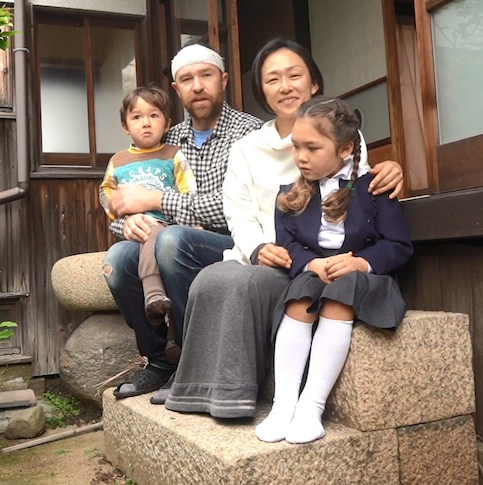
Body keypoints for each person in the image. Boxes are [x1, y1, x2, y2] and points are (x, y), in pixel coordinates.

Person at [163, 38, 405, 416]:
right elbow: (237, 210)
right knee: (212, 279)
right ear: (262, 90)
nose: (285, 86)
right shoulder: (247, 147)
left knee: (243, 284)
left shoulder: (341, 136)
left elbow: (356, 189)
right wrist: (258, 248)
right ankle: (193, 387)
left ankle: (233, 393)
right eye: (273, 79)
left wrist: (389, 167)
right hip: (260, 249)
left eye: (295, 75)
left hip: (308, 260)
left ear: (314, 83)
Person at [103, 44, 263, 398]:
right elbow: (125, 198)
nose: (198, 86)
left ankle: (194, 364)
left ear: (222, 80)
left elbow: (240, 207)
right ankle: (159, 361)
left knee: (172, 240)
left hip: (234, 241)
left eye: (206, 76)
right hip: (166, 239)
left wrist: (160, 200)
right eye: (187, 79)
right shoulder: (166, 138)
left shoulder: (251, 133)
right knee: (118, 259)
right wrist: (127, 223)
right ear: (177, 89)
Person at [254, 96, 413, 445]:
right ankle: (284, 406)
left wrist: (360, 262)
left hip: (366, 280)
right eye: (296, 147)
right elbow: (289, 245)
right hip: (316, 276)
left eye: (312, 147)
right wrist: (311, 263)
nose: (301, 157)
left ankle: (311, 407)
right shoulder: (289, 196)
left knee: (339, 297)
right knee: (300, 297)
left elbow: (398, 244)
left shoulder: (374, 189)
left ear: (344, 149)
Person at [98, 85, 198, 333]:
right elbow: (107, 191)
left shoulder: (173, 154)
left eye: (154, 116)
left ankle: (153, 292)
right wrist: (118, 212)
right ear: (125, 126)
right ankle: (158, 342)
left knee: (155, 233)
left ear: (167, 124)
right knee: (118, 256)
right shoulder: (118, 160)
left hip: (168, 225)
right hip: (136, 227)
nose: (146, 123)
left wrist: (193, 225)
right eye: (137, 117)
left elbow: (188, 191)